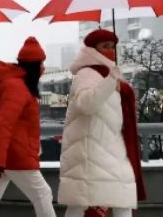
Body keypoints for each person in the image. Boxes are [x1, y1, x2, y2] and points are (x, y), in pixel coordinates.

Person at [58, 29, 145, 217]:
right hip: (91, 150)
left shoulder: (107, 73)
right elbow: (86, 104)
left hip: (110, 147)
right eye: (105, 46)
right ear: (93, 49)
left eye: (113, 46)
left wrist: (113, 80)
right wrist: (111, 80)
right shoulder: (87, 74)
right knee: (86, 203)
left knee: (113, 201)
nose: (111, 51)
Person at [0, 36, 55, 217]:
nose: (43, 68)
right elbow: (4, 125)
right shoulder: (17, 88)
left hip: (7, 155)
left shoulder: (15, 85)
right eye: (41, 63)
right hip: (15, 155)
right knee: (43, 194)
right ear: (33, 66)